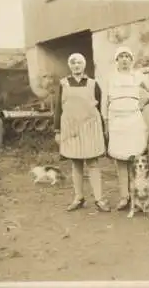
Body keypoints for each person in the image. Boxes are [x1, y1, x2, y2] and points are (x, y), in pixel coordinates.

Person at [53, 53, 110, 212]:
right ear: (70, 66)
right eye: (73, 63)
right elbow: (58, 107)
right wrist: (57, 130)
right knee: (76, 163)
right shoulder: (63, 83)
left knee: (93, 163)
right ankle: (79, 197)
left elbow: (99, 108)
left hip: (90, 127)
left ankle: (99, 199)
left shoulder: (93, 84)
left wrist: (101, 127)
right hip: (71, 129)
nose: (76, 66)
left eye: (79, 63)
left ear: (84, 65)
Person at [101, 46, 149, 211]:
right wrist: (106, 122)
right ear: (116, 60)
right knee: (120, 159)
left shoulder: (138, 75)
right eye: (121, 57)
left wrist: (144, 102)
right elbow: (105, 101)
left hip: (134, 120)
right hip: (116, 122)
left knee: (136, 159)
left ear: (131, 60)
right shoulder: (110, 78)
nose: (125, 60)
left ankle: (139, 194)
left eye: (127, 57)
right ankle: (124, 196)